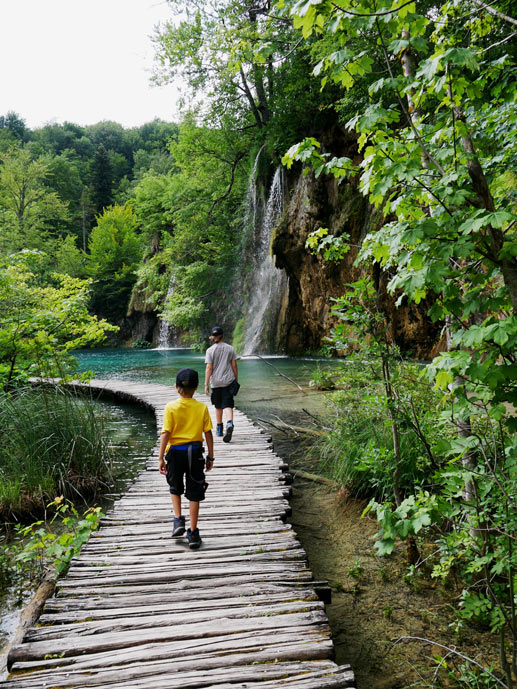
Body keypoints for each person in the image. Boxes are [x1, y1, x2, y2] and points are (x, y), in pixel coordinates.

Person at [158, 368, 214, 549]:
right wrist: (210, 456)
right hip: (195, 454)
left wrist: (160, 458)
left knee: (175, 486)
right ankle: (193, 533)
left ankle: (178, 519)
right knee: (194, 491)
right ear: (197, 387)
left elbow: (166, 434)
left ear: (176, 387)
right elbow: (208, 433)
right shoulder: (202, 407)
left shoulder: (170, 407)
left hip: (174, 453)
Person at [204, 325, 238, 442]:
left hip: (216, 383)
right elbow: (234, 365)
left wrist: (206, 384)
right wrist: (236, 380)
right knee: (228, 404)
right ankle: (230, 423)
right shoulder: (230, 348)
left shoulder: (210, 350)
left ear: (213, 337)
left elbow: (209, 368)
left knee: (218, 406)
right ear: (223, 336)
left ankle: (219, 428)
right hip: (228, 381)